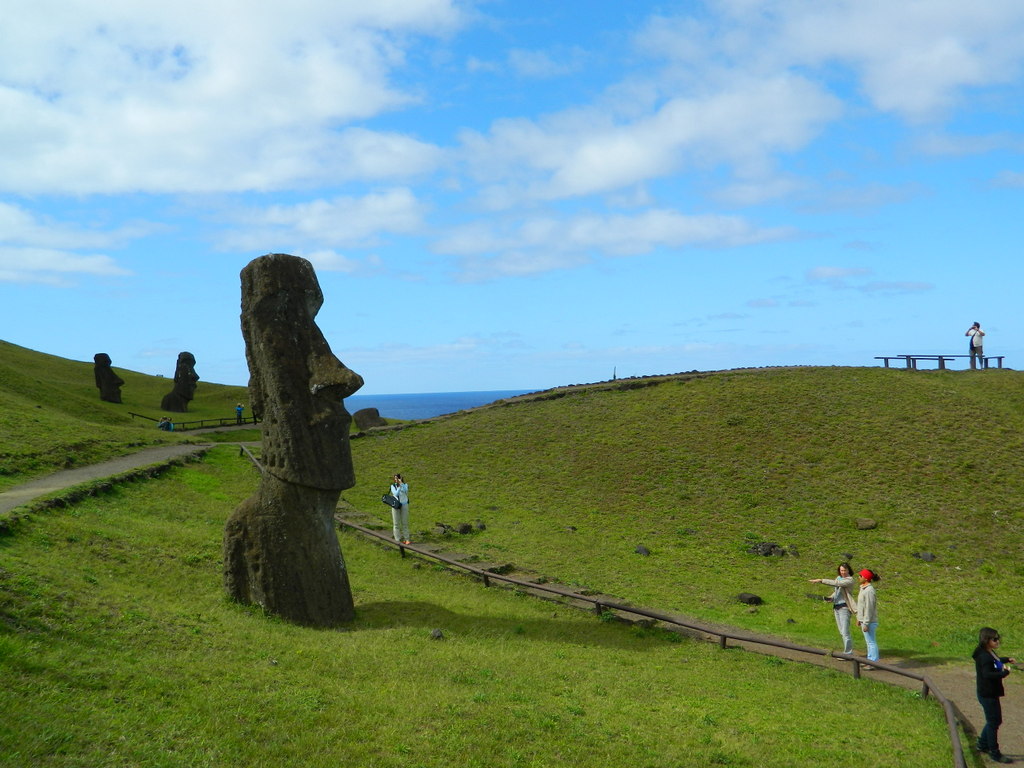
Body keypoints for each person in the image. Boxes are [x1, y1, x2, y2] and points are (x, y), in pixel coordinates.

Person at [974, 627, 1016, 763]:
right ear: (986, 640)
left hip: (988, 693)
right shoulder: (985, 657)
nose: (998, 641)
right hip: (988, 694)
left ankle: (982, 744)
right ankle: (994, 752)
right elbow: (987, 674)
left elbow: (995, 661)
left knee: (994, 721)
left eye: (998, 638)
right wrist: (1003, 673)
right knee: (994, 722)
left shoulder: (987, 652)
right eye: (995, 639)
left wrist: (1006, 660)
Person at [809, 562, 858, 654]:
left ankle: (848, 653)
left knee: (845, 631)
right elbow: (837, 590)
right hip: (836, 607)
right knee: (841, 631)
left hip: (844, 607)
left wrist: (821, 580)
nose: (843, 572)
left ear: (848, 570)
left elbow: (837, 584)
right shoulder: (839, 578)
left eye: (844, 570)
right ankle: (848, 651)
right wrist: (831, 597)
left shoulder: (850, 580)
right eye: (841, 570)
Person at [856, 568, 880, 663]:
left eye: (860, 576)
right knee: (868, 642)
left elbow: (869, 608)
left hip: (869, 621)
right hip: (864, 620)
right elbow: (861, 606)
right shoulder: (863, 588)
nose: (858, 577)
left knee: (871, 642)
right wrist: (859, 618)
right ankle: (869, 660)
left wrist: (865, 623)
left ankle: (873, 662)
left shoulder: (869, 591)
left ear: (866, 578)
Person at [389, 473, 410, 544]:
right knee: (396, 523)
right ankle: (397, 540)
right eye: (395, 478)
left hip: (404, 505)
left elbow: (406, 491)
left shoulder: (405, 485)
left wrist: (401, 484)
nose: (396, 479)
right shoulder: (392, 486)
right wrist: (398, 487)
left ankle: (406, 539)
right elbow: (395, 494)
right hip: (395, 505)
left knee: (405, 523)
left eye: (397, 478)